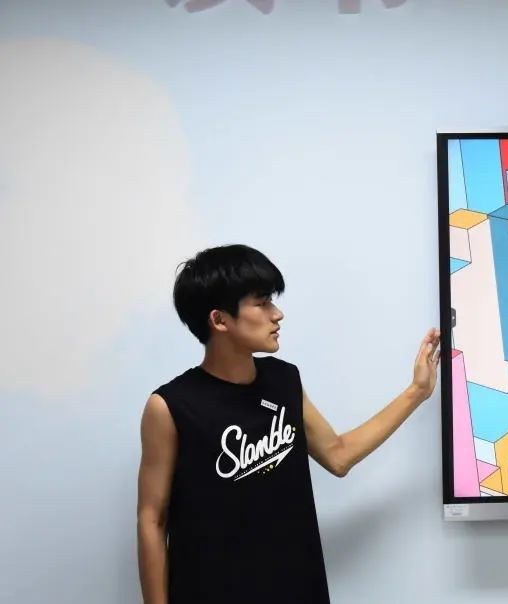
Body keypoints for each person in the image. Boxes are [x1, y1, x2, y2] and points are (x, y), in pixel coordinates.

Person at [136, 244, 440, 604]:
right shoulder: (170, 406)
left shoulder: (284, 380)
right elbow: (152, 519)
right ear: (219, 320)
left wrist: (417, 391)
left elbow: (338, 455)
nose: (277, 314)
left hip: (298, 588)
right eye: (262, 303)